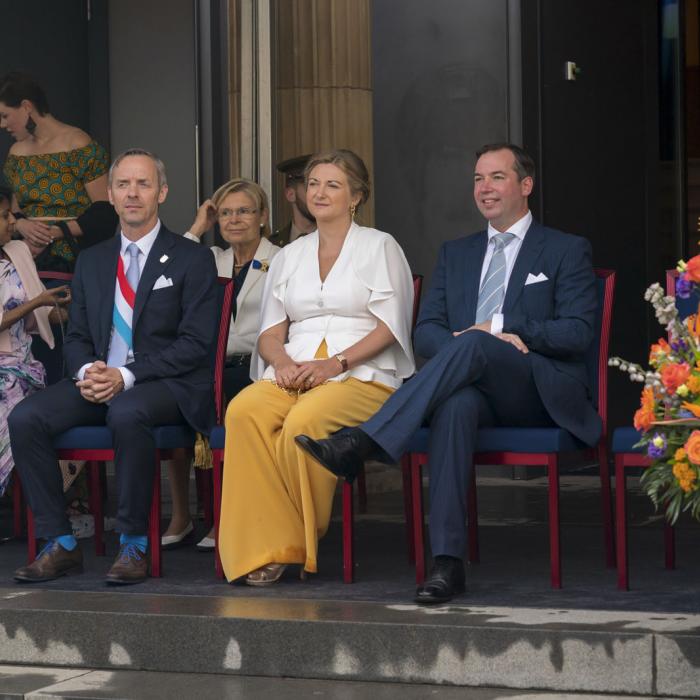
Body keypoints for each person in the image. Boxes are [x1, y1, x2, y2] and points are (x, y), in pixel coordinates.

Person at [296, 143, 601, 604]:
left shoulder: (564, 249)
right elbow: (427, 333)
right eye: (478, 178)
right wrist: (471, 345)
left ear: (525, 185)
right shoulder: (456, 253)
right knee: (455, 405)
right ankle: (447, 563)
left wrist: (501, 329)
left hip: (536, 390)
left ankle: (365, 441)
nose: (485, 188)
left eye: (497, 177)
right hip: (471, 391)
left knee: (477, 341)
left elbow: (578, 333)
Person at [8, 148, 218, 585]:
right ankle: (59, 542)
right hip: (101, 378)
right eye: (123, 185)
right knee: (26, 416)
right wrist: (88, 372)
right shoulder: (94, 259)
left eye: (143, 184)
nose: (132, 193)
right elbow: (79, 334)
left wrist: (126, 375)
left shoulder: (191, 258)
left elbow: (196, 344)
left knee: (127, 410)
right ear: (109, 193)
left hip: (165, 382)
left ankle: (133, 542)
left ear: (161, 192)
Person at [218, 148, 415, 586]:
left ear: (355, 196)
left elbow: (390, 328)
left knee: (302, 423)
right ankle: (265, 542)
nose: (319, 192)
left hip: (362, 374)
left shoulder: (380, 246)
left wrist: (336, 363)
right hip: (295, 371)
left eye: (332, 184)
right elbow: (270, 333)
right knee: (243, 412)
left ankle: (291, 543)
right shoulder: (289, 255)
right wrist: (283, 363)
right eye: (313, 184)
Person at [161, 178, 281, 551]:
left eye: (244, 211)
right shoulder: (211, 258)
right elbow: (167, 267)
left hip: (253, 367)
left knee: (235, 408)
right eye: (225, 213)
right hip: (205, 366)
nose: (234, 220)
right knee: (174, 404)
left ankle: (226, 515)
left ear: (262, 216)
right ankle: (182, 514)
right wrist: (198, 227)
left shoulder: (282, 259)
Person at [0, 72, 118, 273]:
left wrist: (54, 232)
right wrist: (21, 225)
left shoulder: (77, 145)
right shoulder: (17, 154)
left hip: (74, 261)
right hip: (25, 261)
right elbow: (13, 212)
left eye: (5, 116)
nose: (2, 125)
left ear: (27, 107)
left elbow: (104, 214)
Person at [0, 187, 70, 495]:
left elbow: (42, 316)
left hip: (21, 366)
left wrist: (79, 310)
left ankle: (55, 503)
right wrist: (36, 301)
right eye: (4, 216)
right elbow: (34, 304)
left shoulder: (17, 252)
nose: (12, 223)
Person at [268, 154, 316, 246]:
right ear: (290, 194)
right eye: (310, 186)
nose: (318, 194)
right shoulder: (273, 245)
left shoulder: (342, 241)